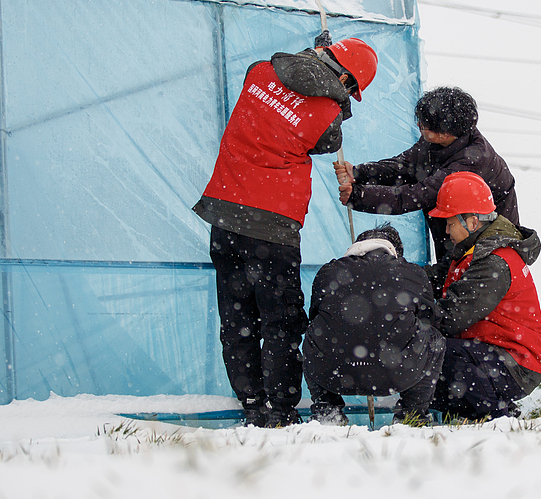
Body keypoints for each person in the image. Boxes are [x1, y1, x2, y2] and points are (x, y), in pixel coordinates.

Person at [192, 34, 378, 428]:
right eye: (350, 89)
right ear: (345, 80)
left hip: (225, 215)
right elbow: (329, 133)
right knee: (282, 322)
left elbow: (293, 74)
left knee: (237, 317)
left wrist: (316, 57)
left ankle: (252, 403)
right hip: (272, 227)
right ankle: (280, 410)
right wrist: (336, 93)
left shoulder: (259, 72)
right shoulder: (326, 115)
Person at [333, 86, 517, 260]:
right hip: (454, 227)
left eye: (423, 125)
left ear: (445, 134)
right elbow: (405, 165)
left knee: (459, 273)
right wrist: (358, 172)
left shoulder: (471, 161)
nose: (419, 125)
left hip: (483, 239)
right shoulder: (440, 138)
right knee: (448, 269)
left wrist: (359, 196)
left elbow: (417, 195)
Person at [425, 171, 541, 421]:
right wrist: (400, 277)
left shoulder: (493, 262)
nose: (446, 230)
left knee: (434, 353)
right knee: (435, 363)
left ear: (472, 222)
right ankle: (484, 405)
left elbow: (450, 317)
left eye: (450, 223)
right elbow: (434, 278)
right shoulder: (473, 251)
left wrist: (408, 325)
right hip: (497, 356)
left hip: (516, 365)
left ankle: (494, 416)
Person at [302, 224, 446, 425]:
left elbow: (315, 315)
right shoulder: (412, 272)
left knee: (312, 334)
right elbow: (429, 319)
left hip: (335, 372)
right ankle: (412, 414)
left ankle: (327, 411)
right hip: (397, 370)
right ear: (394, 251)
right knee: (434, 339)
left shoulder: (328, 271)